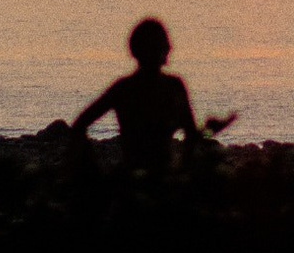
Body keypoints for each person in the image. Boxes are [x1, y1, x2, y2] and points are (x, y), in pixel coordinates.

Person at [72, 17, 200, 173]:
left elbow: (79, 125)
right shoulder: (172, 86)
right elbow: (192, 135)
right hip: (158, 180)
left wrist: (93, 171)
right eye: (163, 42)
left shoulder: (124, 87)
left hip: (137, 177)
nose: (169, 47)